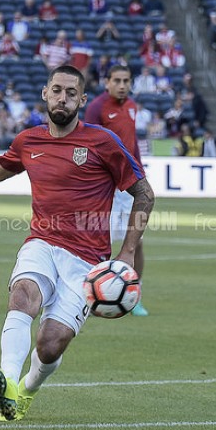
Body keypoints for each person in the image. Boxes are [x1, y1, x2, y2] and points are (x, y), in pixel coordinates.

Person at [0, 65, 155, 421]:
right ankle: (6, 381)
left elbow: (144, 193)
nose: (62, 98)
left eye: (70, 93)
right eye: (56, 90)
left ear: (82, 99)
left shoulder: (102, 142)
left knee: (50, 345)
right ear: (45, 94)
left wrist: (127, 251)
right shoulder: (29, 140)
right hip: (42, 242)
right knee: (22, 295)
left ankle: (26, 392)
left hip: (86, 262)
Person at [84, 64, 149, 317]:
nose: (122, 85)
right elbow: (88, 144)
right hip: (105, 186)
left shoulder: (132, 106)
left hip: (129, 184)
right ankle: (92, 294)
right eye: (117, 80)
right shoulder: (97, 108)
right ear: (107, 82)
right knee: (99, 243)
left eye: (126, 80)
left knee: (138, 241)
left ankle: (135, 292)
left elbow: (132, 146)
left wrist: (140, 175)